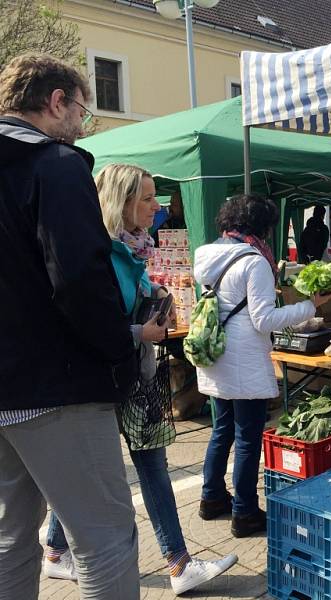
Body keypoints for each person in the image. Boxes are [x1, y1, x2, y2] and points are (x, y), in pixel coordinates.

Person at [42, 164, 238, 595]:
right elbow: (90, 321)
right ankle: (178, 562)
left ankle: (56, 551)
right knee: (148, 468)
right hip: (111, 377)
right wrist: (140, 331)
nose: (158, 206)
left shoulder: (135, 248)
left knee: (140, 465)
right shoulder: (102, 253)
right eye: (148, 198)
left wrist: (158, 304)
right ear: (123, 201)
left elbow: (127, 304)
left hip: (132, 372)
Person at [0, 53, 139, 599]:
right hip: (57, 385)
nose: (83, 124)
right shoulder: (56, 165)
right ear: (57, 101)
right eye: (81, 109)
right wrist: (120, 354)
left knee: (12, 537)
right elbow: (81, 279)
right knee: (105, 539)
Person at [194, 195, 331, 537]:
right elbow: (263, 319)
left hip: (217, 356)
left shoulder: (210, 254)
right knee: (246, 437)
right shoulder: (253, 261)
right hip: (244, 362)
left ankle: (211, 498)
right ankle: (244, 512)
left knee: (222, 429)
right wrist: (309, 306)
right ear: (260, 226)